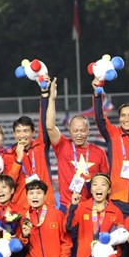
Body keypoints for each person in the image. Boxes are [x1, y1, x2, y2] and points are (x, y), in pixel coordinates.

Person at [45, 78, 108, 209]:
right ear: (69, 131)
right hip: (66, 206)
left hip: (91, 207)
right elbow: (50, 127)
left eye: (82, 130)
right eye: (75, 131)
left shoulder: (99, 152)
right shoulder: (62, 145)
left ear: (88, 131)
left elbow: (105, 181)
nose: (79, 134)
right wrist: (51, 99)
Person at [94, 86, 129, 211]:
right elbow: (99, 118)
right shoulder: (113, 134)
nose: (126, 119)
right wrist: (97, 96)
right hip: (116, 199)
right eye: (123, 116)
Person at [9, 81, 54, 209]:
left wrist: (44, 94)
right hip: (22, 209)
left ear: (33, 132)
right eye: (18, 131)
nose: (22, 135)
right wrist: (18, 160)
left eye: (26, 131)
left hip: (46, 205)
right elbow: (9, 182)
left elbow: (43, 121)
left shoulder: (41, 145)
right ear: (14, 134)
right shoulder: (9, 153)